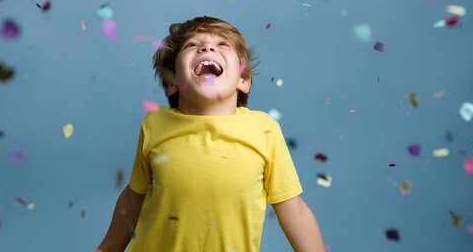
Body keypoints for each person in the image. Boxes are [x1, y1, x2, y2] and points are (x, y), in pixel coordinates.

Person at [95, 16, 326, 252]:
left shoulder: (264, 130)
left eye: (223, 44)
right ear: (171, 83)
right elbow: (134, 196)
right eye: (192, 45)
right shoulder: (156, 124)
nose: (207, 47)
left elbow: (292, 208)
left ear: (243, 80)